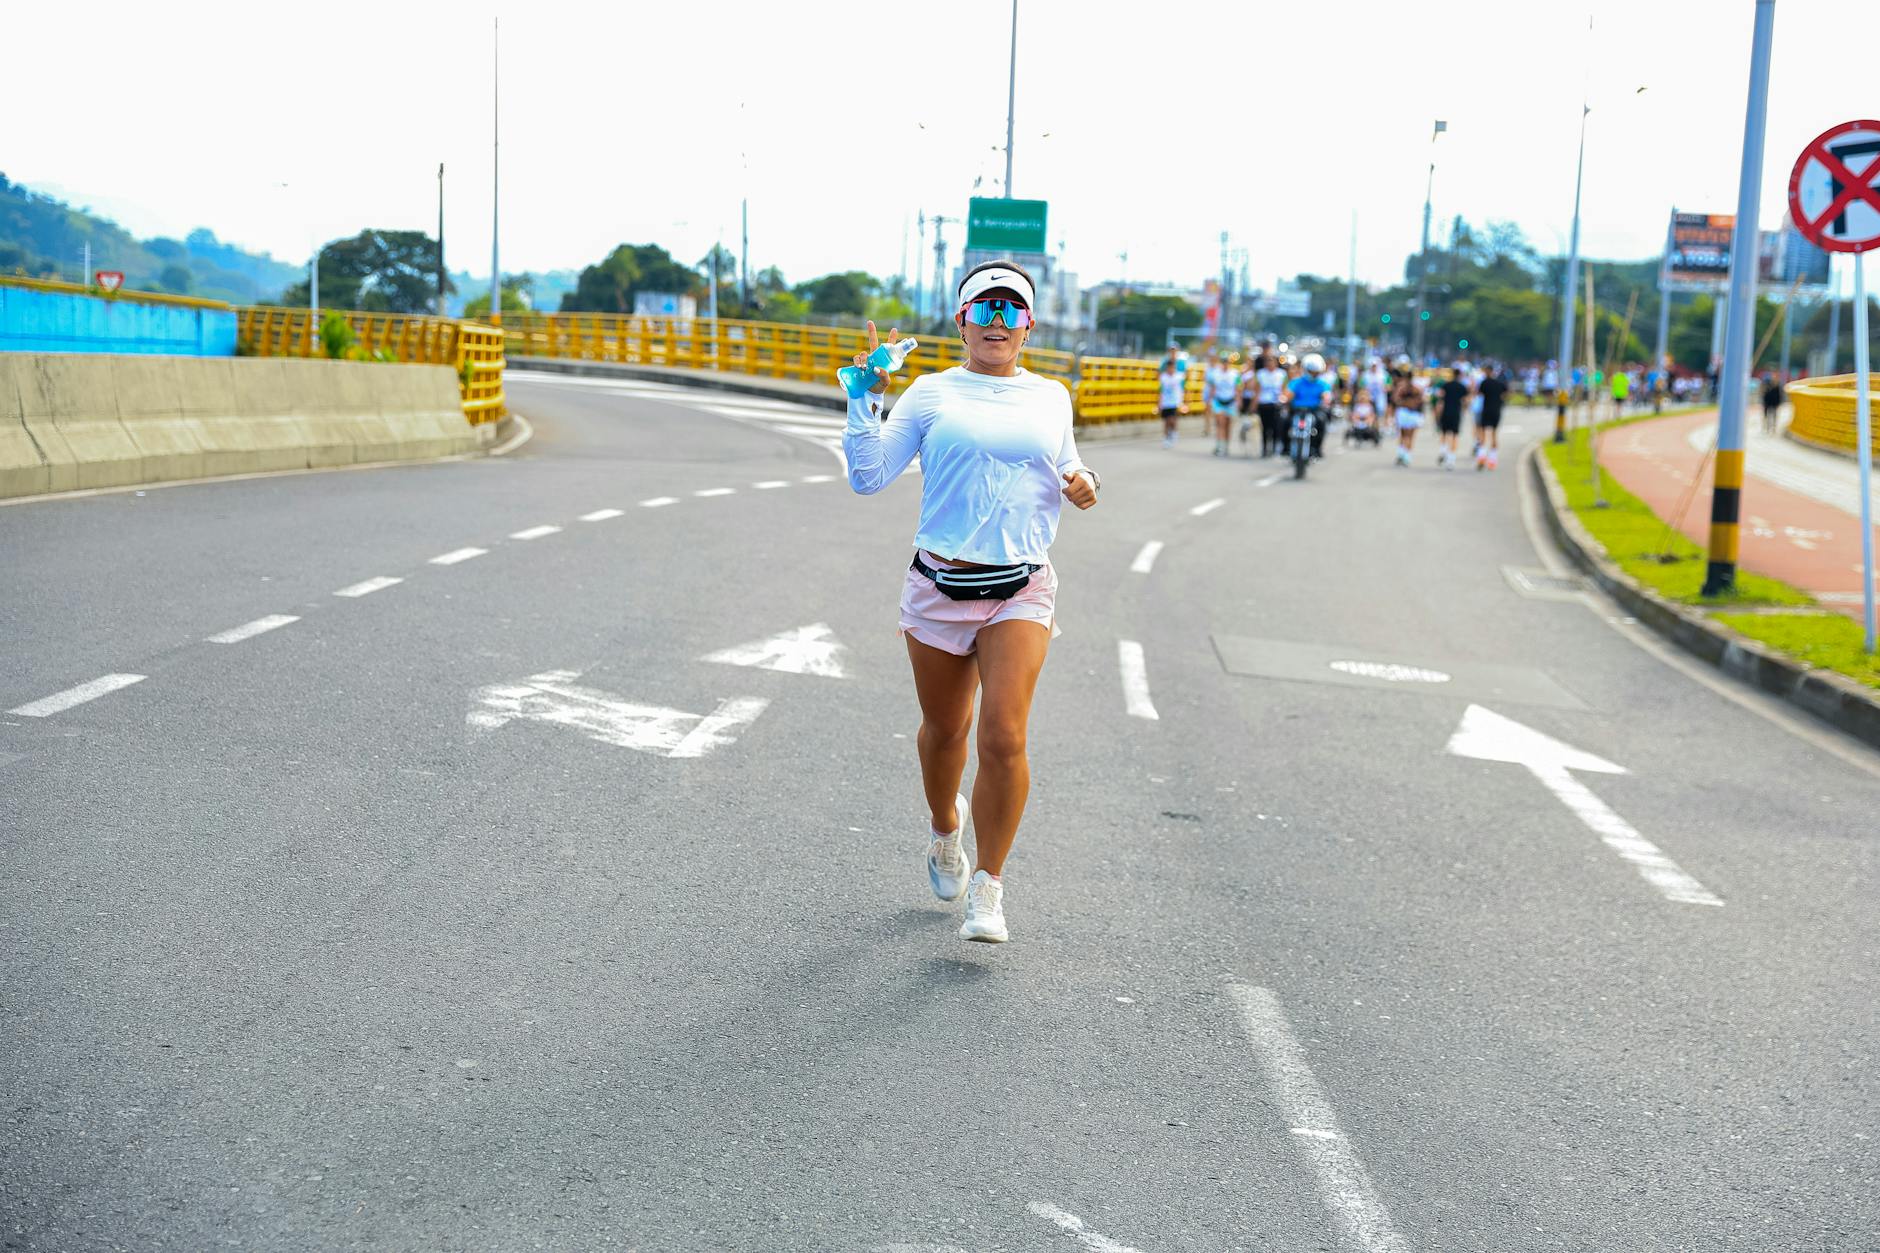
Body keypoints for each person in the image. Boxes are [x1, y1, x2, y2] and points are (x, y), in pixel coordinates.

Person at [843, 260, 1100, 944]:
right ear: (961, 321)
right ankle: (944, 828)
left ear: (1029, 325)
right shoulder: (929, 393)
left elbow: (1067, 462)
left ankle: (989, 886)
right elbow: (868, 477)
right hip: (939, 586)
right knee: (946, 732)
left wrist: (1083, 480)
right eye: (983, 311)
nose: (996, 323)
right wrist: (863, 397)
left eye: (1009, 311)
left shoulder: (1051, 396)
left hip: (1020, 585)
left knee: (1004, 735)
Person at [1286, 353, 1332, 460]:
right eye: (1311, 371)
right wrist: (1284, 399)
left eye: (1316, 372)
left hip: (1314, 411)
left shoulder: (1322, 384)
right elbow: (1288, 394)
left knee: (1322, 421)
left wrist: (1326, 399)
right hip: (1297, 410)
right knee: (1284, 421)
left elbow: (1326, 394)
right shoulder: (1296, 382)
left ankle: (1316, 448)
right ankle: (1285, 448)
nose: (1314, 374)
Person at [1474, 362, 1509, 470]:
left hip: (1486, 410)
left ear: (1486, 371)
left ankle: (1481, 457)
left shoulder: (1484, 383)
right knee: (1494, 434)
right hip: (1496, 410)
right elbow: (1507, 393)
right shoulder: (1499, 383)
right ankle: (1492, 460)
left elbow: (1479, 394)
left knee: (1483, 434)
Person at [1391, 359, 1426, 467]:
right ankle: (1405, 455)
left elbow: (1395, 399)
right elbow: (1421, 400)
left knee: (1403, 435)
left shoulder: (1403, 387)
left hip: (1405, 412)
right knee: (1409, 436)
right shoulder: (1416, 387)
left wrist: (1404, 402)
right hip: (1410, 413)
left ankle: (1403, 455)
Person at [1205, 352, 1241, 457]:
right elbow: (1212, 389)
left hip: (1230, 401)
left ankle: (1226, 445)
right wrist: (1209, 401)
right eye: (1223, 361)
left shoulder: (1235, 373)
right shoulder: (1215, 374)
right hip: (1218, 401)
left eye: (1227, 361)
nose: (1225, 363)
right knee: (1220, 423)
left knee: (1228, 425)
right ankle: (1220, 445)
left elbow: (1238, 388)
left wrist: (1239, 401)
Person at [1253, 353, 1288, 457]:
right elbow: (1257, 390)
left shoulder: (1281, 374)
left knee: (1275, 427)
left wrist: (1284, 402)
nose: (1270, 363)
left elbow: (1284, 389)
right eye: (1268, 361)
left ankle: (1273, 447)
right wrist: (1254, 405)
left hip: (1276, 404)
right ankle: (1264, 448)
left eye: (1272, 361)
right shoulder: (1260, 374)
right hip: (1264, 403)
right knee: (1264, 427)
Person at [1435, 365, 1469, 470]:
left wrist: (1437, 413)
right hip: (1456, 413)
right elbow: (1466, 401)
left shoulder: (1446, 385)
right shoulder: (1462, 387)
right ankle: (1451, 460)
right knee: (1454, 436)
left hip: (1446, 411)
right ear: (1460, 376)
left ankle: (1443, 451)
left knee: (1444, 433)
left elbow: (1439, 398)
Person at [1157, 355, 1186, 447]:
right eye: (1169, 368)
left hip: (1175, 402)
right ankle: (1166, 438)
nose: (1170, 369)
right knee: (1166, 421)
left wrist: (1185, 402)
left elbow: (1185, 387)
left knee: (1172, 420)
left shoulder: (1179, 377)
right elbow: (1161, 391)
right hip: (1165, 402)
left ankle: (1173, 432)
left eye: (1172, 367)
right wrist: (1159, 403)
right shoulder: (1163, 377)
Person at [1761, 371, 1784, 435]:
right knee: (1767, 415)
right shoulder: (1767, 383)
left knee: (1774, 416)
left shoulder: (1779, 385)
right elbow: (1764, 393)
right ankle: (1767, 427)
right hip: (1767, 402)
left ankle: (1773, 428)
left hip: (1775, 403)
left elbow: (1780, 395)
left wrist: (1779, 403)